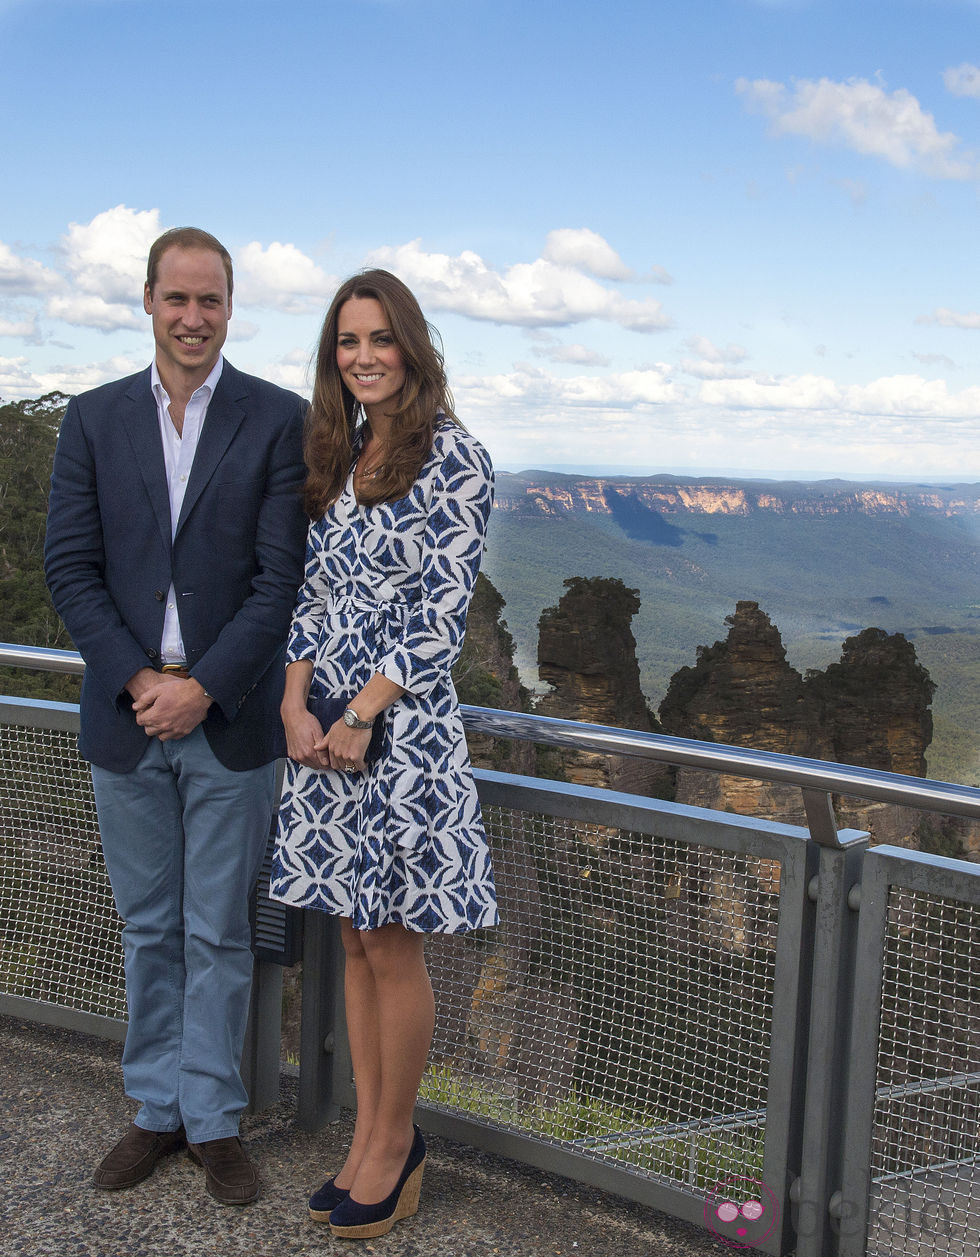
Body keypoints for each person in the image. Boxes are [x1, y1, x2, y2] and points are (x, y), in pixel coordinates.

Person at [44, 227, 308, 1205]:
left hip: (229, 719)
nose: (193, 318)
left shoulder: (275, 419)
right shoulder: (94, 419)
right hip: (127, 717)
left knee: (220, 930)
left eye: (211, 301)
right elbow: (69, 567)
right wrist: (137, 682)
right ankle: (154, 1109)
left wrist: (201, 685)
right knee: (149, 926)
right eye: (177, 299)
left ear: (230, 309)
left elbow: (280, 580)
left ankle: (214, 1117)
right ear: (147, 302)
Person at [270, 269, 498, 1239]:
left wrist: (361, 713)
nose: (362, 356)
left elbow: (438, 616)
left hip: (398, 738)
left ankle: (394, 1144)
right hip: (322, 731)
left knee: (393, 945)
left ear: (411, 344)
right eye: (346, 342)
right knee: (353, 937)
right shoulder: (347, 452)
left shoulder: (456, 458)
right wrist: (293, 701)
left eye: (379, 339)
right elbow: (315, 596)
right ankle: (367, 1139)